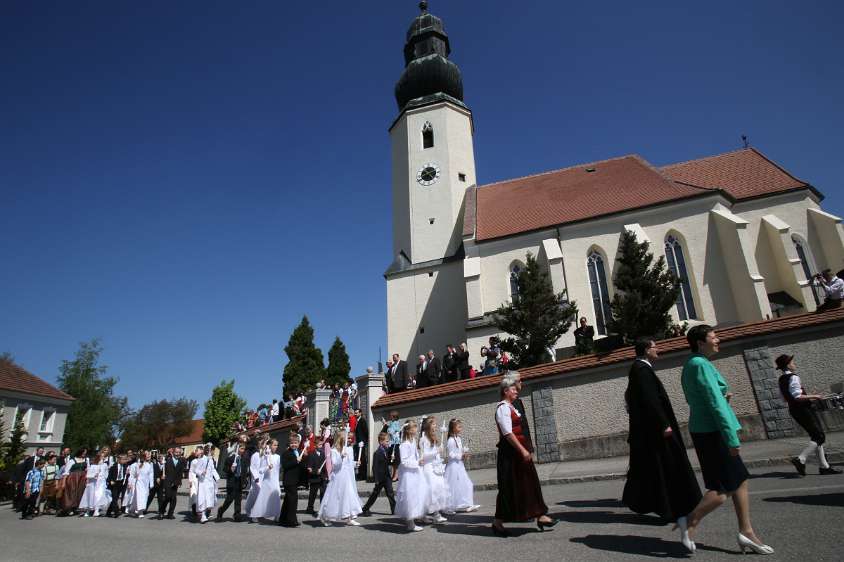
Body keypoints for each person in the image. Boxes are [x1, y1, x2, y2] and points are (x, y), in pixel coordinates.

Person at [681, 325, 773, 555]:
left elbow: (705, 398)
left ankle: (746, 531)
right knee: (723, 489)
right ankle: (690, 520)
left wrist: (724, 396)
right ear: (701, 342)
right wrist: (731, 437)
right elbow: (714, 402)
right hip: (712, 432)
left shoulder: (695, 363)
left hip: (708, 430)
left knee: (739, 479)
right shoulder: (699, 365)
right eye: (714, 337)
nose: (718, 340)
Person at [622, 339, 702, 552]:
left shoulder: (639, 369)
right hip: (657, 431)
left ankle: (668, 507)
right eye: (655, 347)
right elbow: (651, 400)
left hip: (652, 431)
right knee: (668, 468)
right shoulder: (641, 370)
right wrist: (663, 423)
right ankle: (678, 507)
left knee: (659, 471)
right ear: (647, 350)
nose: (659, 350)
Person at [492, 374, 556, 537]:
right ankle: (498, 522)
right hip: (510, 455)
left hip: (518, 452)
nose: (516, 391)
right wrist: (522, 450)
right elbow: (507, 433)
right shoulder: (502, 408)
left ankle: (540, 515)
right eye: (513, 389)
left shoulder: (512, 406)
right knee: (508, 488)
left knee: (530, 483)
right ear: (506, 391)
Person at [775, 354, 841, 476]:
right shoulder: (794, 377)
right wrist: (814, 396)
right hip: (803, 410)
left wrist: (808, 396)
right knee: (819, 437)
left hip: (794, 410)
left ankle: (824, 466)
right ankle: (801, 459)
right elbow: (797, 396)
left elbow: (784, 399)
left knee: (815, 436)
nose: (794, 364)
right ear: (788, 364)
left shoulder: (781, 379)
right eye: (792, 362)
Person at [318, 430, 363, 526]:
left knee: (349, 496)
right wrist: (341, 457)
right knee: (334, 497)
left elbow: (348, 463)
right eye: (346, 438)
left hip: (347, 477)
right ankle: (325, 516)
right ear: (341, 439)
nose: (348, 440)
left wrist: (355, 464)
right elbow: (335, 465)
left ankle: (349, 517)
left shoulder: (347, 449)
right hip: (338, 477)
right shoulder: (334, 451)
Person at [394, 420, 428, 532]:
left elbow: (414, 456)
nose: (417, 429)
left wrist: (419, 460)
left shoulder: (413, 441)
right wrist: (417, 463)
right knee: (410, 497)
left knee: (417, 495)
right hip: (408, 474)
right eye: (414, 427)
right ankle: (410, 523)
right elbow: (404, 461)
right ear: (409, 430)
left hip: (415, 472)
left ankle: (416, 517)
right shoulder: (404, 445)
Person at [444, 419, 480, 514]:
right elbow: (451, 454)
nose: (461, 428)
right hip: (453, 467)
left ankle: (468, 504)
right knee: (454, 486)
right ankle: (451, 505)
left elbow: (459, 451)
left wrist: (464, 452)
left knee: (467, 484)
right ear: (453, 428)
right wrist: (461, 456)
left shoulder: (458, 438)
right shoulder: (451, 440)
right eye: (459, 426)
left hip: (459, 465)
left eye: (461, 426)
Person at [419, 416, 449, 524]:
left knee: (438, 489)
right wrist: (436, 451)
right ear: (428, 426)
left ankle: (432, 514)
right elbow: (424, 455)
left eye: (435, 424)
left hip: (435, 467)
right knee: (431, 492)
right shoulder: (423, 439)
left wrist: (439, 454)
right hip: (428, 468)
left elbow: (435, 454)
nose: (436, 426)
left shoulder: (434, 437)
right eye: (434, 424)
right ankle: (431, 514)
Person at [245, 438, 281, 523]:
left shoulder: (278, 457)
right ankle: (255, 514)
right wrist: (267, 467)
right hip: (267, 481)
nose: (276, 447)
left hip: (275, 480)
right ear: (270, 446)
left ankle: (277, 515)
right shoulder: (265, 456)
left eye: (277, 445)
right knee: (263, 498)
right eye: (274, 445)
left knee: (276, 497)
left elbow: (278, 470)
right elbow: (260, 470)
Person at [361, 432, 396, 516]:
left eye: (388, 441)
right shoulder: (377, 453)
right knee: (375, 494)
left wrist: (392, 459)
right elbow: (375, 467)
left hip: (387, 477)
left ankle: (394, 509)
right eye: (387, 441)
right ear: (381, 442)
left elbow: (388, 463)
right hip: (380, 478)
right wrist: (376, 479)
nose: (388, 443)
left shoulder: (387, 451)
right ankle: (365, 508)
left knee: (390, 493)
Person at [217, 444, 247, 522]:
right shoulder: (231, 458)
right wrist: (230, 469)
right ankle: (221, 511)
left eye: (244, 449)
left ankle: (237, 515)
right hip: (232, 481)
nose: (243, 450)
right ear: (237, 449)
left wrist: (244, 480)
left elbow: (244, 471)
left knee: (238, 499)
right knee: (229, 499)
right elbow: (224, 469)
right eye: (241, 448)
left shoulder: (243, 459)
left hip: (239, 481)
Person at [280, 433, 304, 527]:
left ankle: (283, 519)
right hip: (289, 480)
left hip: (295, 480)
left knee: (288, 500)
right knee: (293, 500)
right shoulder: (286, 453)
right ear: (289, 443)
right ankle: (291, 520)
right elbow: (285, 466)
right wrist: (296, 461)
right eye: (292, 443)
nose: (294, 444)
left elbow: (300, 466)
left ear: (298, 443)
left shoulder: (298, 452)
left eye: (296, 443)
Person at [79, 450, 110, 517]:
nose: (103, 458)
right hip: (92, 483)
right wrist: (93, 476)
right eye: (101, 457)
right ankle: (88, 510)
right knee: (90, 496)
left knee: (99, 496)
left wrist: (104, 480)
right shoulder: (93, 466)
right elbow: (88, 475)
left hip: (101, 483)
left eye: (104, 457)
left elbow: (106, 474)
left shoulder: (105, 465)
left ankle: (96, 510)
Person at [124, 450, 154, 518]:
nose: (147, 456)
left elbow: (151, 474)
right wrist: (130, 483)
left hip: (145, 484)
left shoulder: (149, 465)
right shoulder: (136, 465)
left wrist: (151, 484)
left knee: (144, 497)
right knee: (139, 497)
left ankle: (133, 510)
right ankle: (140, 511)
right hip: (138, 484)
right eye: (145, 455)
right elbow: (132, 475)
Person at [60, 448, 89, 515]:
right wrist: (64, 482)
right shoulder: (72, 461)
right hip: (73, 478)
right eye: (83, 452)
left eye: (85, 453)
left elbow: (88, 469)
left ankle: (76, 507)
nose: (84, 454)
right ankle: (69, 508)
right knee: (72, 492)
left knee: (80, 492)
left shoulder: (86, 460)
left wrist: (87, 479)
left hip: (82, 478)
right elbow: (66, 472)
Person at [305, 435, 329, 514]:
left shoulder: (324, 454)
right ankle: (310, 508)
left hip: (322, 477)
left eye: (322, 445)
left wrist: (326, 476)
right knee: (313, 494)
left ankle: (322, 508)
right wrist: (315, 472)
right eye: (319, 445)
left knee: (323, 493)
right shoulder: (311, 454)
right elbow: (309, 468)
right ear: (315, 445)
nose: (321, 446)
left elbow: (325, 466)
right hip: (314, 478)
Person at [158, 448, 184, 519]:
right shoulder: (167, 460)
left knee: (173, 498)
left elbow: (180, 473)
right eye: (176, 452)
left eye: (179, 453)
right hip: (167, 481)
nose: (177, 454)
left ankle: (170, 514)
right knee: (167, 497)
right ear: (173, 452)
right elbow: (161, 469)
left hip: (175, 482)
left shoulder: (181, 461)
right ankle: (161, 512)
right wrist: (161, 475)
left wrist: (179, 482)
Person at [353, 408, 369, 480]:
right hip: (358, 443)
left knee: (362, 458)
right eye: (355, 413)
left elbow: (365, 432)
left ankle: (363, 475)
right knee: (358, 458)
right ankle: (360, 474)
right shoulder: (357, 421)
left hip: (361, 443)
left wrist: (364, 441)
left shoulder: (362, 421)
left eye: (356, 413)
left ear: (360, 413)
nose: (355, 414)